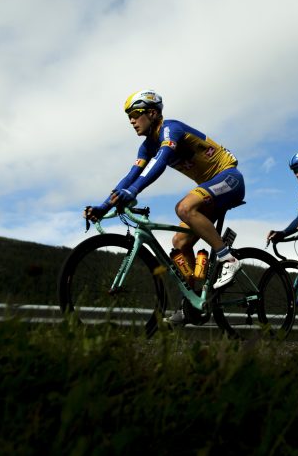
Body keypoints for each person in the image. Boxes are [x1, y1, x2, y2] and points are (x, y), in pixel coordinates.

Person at [84, 89, 244, 324]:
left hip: (229, 178)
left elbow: (160, 162)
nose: (131, 120)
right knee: (179, 243)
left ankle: (228, 259)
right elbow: (130, 176)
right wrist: (103, 205)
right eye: (128, 116)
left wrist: (133, 191)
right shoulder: (146, 147)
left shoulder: (171, 129)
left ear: (152, 113)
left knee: (184, 208)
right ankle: (190, 303)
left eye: (135, 114)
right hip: (211, 189)